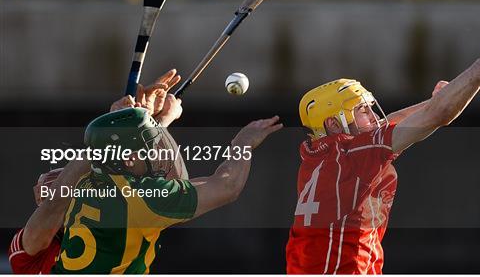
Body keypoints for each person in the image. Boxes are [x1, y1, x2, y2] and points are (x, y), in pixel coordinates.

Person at [286, 20, 480, 274]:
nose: (373, 115)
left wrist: (434, 101)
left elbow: (391, 123)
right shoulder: (354, 156)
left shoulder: (320, 153)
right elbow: (438, 115)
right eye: (361, 110)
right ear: (334, 124)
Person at [51, 95, 282, 272]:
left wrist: (154, 121)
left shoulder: (84, 179)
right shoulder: (143, 198)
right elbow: (227, 186)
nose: (155, 153)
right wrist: (243, 143)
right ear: (129, 159)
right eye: (149, 148)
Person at [8, 69, 184, 274]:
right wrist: (147, 126)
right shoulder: (27, 255)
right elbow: (54, 205)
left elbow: (155, 183)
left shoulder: (115, 218)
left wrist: (144, 125)